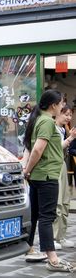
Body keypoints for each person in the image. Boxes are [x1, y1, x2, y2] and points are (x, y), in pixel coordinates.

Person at [22, 90, 75, 272]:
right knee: (47, 216)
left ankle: (29, 248)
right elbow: (37, 149)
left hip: (39, 175)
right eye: (61, 104)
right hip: (46, 176)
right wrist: (27, 170)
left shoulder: (39, 119)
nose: (62, 107)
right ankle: (52, 259)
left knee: (35, 214)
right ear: (53, 105)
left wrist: (29, 171)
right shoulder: (46, 122)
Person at [53, 106, 75, 249]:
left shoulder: (62, 129)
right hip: (54, 166)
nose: (68, 117)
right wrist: (71, 138)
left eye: (70, 115)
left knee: (65, 202)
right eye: (66, 114)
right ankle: (53, 238)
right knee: (58, 203)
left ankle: (61, 236)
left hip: (62, 164)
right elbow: (57, 147)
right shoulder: (52, 128)